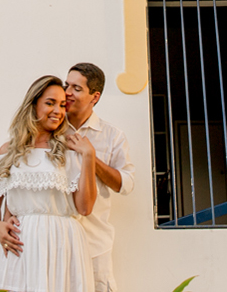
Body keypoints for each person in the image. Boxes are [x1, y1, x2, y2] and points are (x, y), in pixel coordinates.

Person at [0, 75, 97, 292]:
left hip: (64, 242)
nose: (58, 111)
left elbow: (85, 208)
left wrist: (89, 156)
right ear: (33, 104)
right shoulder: (8, 152)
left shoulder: (71, 150)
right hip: (22, 244)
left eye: (62, 105)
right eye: (50, 103)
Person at [62, 63, 135, 292]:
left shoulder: (112, 136)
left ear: (95, 97)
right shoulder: (51, 129)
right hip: (55, 241)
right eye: (66, 85)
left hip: (93, 244)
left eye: (76, 88)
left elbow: (126, 184)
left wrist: (91, 157)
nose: (67, 93)